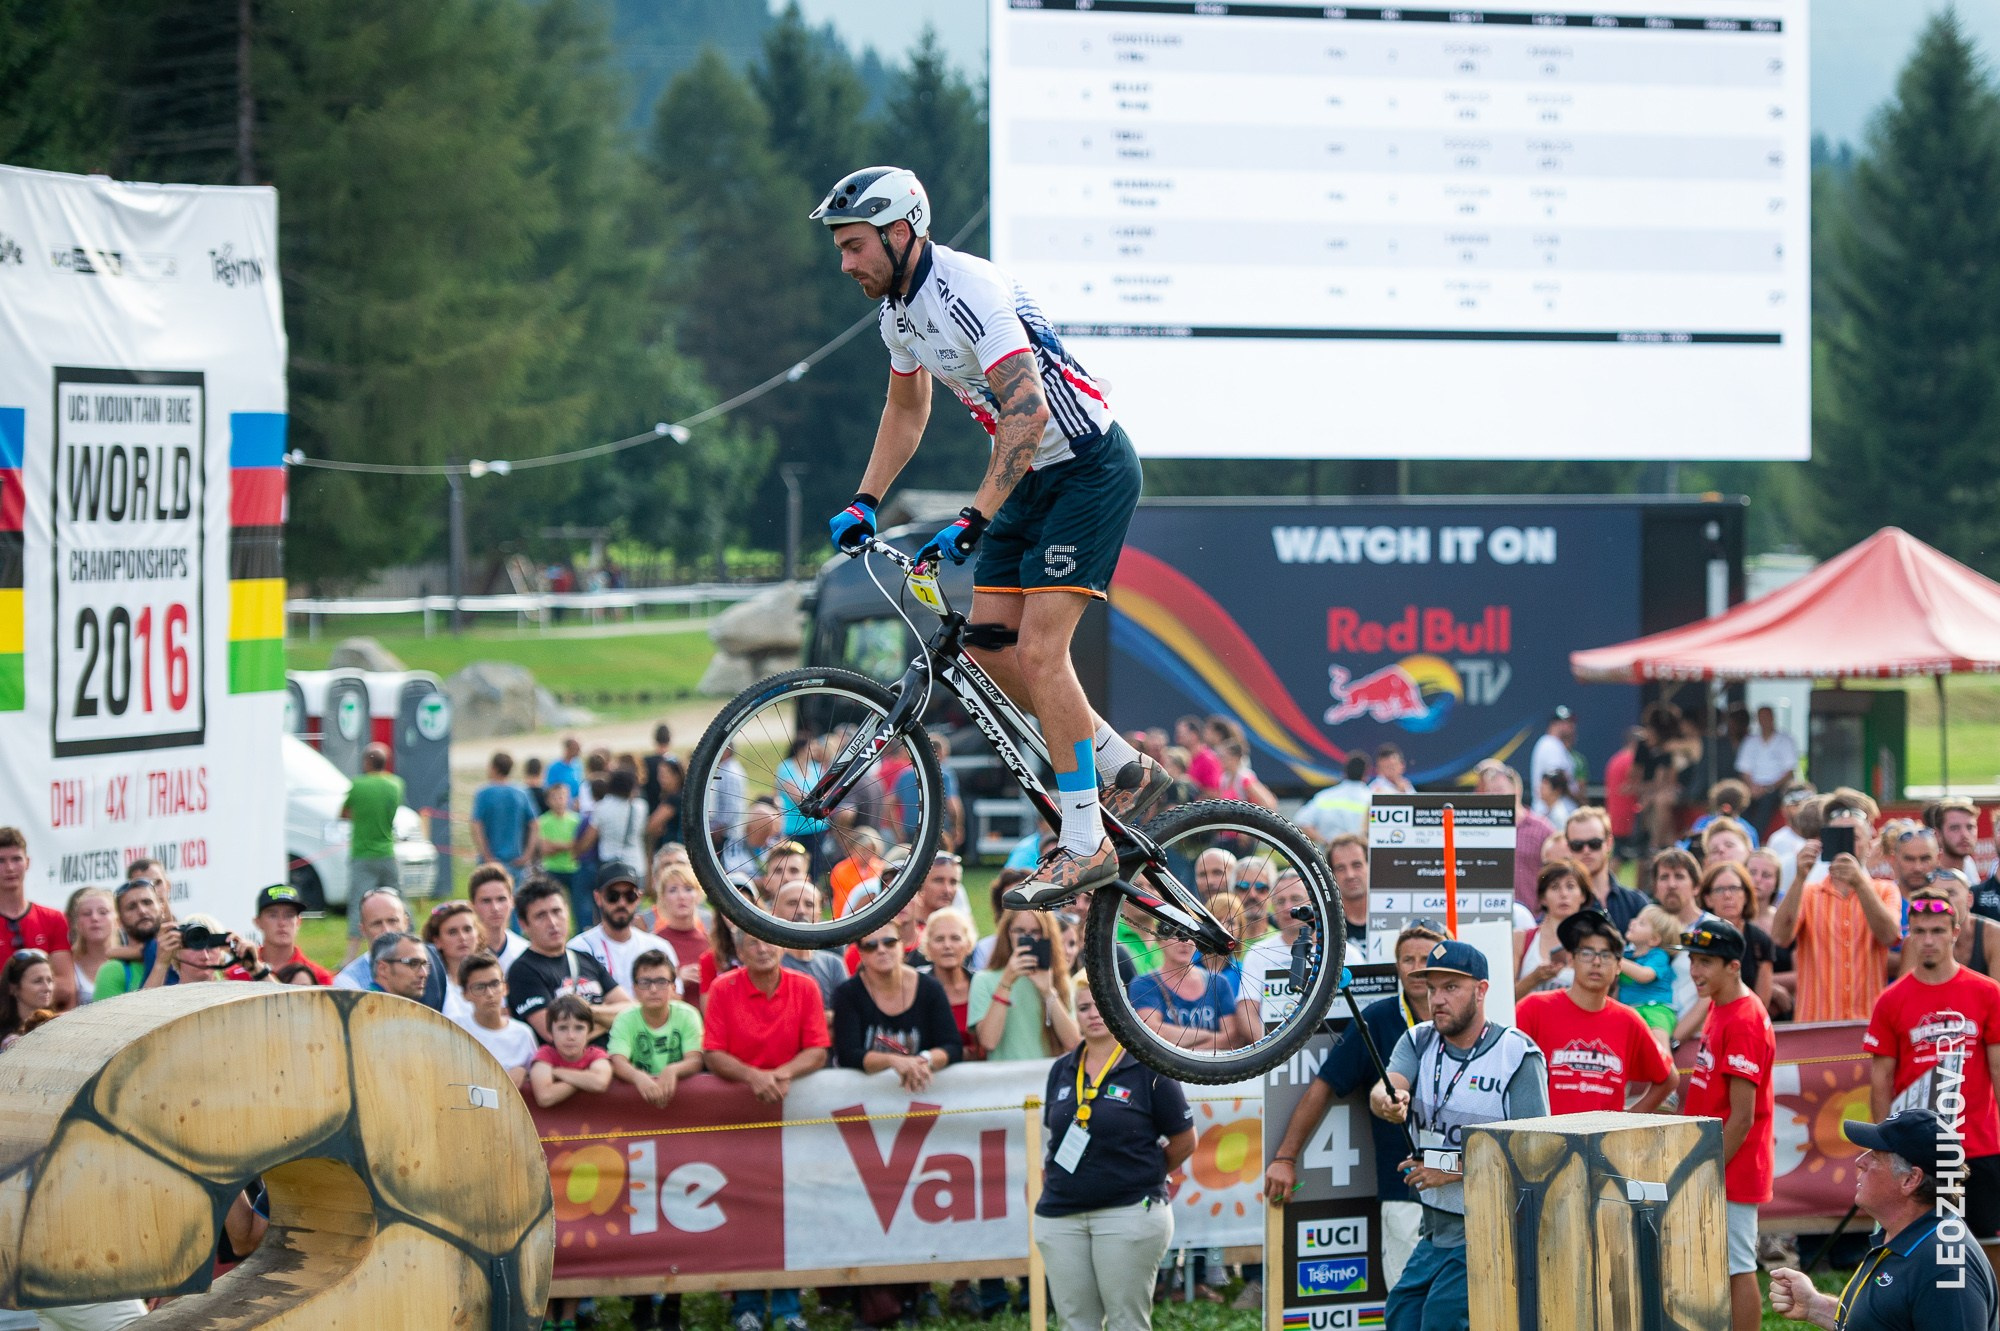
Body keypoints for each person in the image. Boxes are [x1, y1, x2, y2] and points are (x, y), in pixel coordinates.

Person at [815, 164, 1169, 910]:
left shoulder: (965, 289)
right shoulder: (899, 315)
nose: (845, 264)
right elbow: (906, 412)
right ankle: (1123, 769)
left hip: (1086, 467)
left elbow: (1030, 411)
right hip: (1026, 478)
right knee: (987, 647)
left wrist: (973, 516)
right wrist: (866, 498)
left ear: (900, 231)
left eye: (853, 247)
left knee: (1041, 650)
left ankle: (1085, 842)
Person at [1370, 939, 1549, 1331]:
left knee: (1441, 1320)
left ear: (1482, 990)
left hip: (1490, 1228)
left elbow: (1536, 1153)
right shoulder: (1418, 1040)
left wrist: (1450, 1168)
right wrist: (1389, 1099)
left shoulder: (1517, 1055)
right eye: (1432, 988)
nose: (1437, 999)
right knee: (1402, 1315)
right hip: (1435, 1227)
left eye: (1451, 987)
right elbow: (1387, 1086)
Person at [1266, 925, 1443, 1288]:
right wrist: (1285, 1157)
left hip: (1461, 1187)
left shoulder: (1468, 1022)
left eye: (1425, 960)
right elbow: (1323, 1085)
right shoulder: (1378, 1019)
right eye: (1406, 959)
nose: (1414, 968)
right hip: (1404, 1189)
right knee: (1408, 1302)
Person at [1035, 975, 1195, 1331]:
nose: (1094, 1014)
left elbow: (1185, 1140)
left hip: (1129, 1211)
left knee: (1126, 1321)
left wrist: (1146, 1172)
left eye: (1101, 1004)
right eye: (1083, 1007)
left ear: (1120, 1006)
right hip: (1061, 1216)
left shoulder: (1150, 1064)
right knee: (1074, 1323)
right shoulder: (1062, 1069)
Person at [1767, 1108, 1998, 1330]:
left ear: (1910, 1179)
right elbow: (1885, 1321)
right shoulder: (1904, 1236)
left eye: (1876, 1156)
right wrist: (1815, 1307)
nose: (1860, 1161)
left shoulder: (1945, 1270)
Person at [703, 927, 828, 1331]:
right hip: (739, 1119)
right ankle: (748, 1304)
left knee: (793, 1208)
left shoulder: (805, 987)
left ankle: (789, 1307)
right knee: (743, 1210)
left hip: (793, 1117)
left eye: (767, 940)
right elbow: (713, 1053)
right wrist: (753, 1077)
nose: (762, 948)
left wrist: (780, 1074)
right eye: (752, 942)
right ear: (739, 950)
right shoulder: (723, 989)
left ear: (781, 943)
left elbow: (817, 1049)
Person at [1866, 888, 2000, 1266]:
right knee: (1927, 1251)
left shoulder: (1988, 993)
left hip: (1980, 1146)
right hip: (1920, 1152)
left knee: (1989, 1247)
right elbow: (1881, 1084)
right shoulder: (1891, 1000)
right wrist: (1885, 1147)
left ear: (1956, 932)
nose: (1928, 940)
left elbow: (1998, 1070)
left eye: (1938, 931)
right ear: (1909, 933)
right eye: (1920, 931)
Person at [1678, 919, 1775, 1331]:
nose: (1696, 971)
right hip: (1714, 1154)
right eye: (1693, 961)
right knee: (1714, 1261)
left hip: (1731, 1163)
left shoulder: (1745, 1019)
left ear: (1733, 966)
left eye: (1706, 963)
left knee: (1738, 1265)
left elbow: (1742, 1117)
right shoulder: (1720, 1002)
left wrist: (1709, 1169)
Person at [1516, 908, 1675, 1115]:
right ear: (1571, 960)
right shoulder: (1533, 1008)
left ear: (1620, 965)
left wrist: (1630, 1119)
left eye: (1606, 954)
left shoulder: (1628, 1021)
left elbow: (1669, 1078)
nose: (1596, 962)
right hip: (1545, 1141)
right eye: (1587, 953)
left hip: (1603, 1145)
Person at [1772, 803, 1903, 1023]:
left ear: (1869, 846)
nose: (1846, 844)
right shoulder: (1807, 892)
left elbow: (1889, 936)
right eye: (1838, 835)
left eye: (1855, 836)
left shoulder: (1885, 889)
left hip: (1868, 1022)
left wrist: (1860, 883)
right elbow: (1780, 938)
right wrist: (1799, 878)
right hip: (1815, 1024)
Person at [833, 920, 962, 1084]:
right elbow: (848, 1054)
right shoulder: (848, 994)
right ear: (861, 953)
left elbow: (952, 1046)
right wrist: (893, 1061)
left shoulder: (930, 988)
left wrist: (924, 1060)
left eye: (889, 942)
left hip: (921, 1095)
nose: (881, 950)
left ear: (902, 945)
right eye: (871, 946)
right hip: (866, 1096)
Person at [507, 876, 634, 1041]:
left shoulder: (585, 958)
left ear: (567, 911)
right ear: (524, 924)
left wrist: (586, 1010)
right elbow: (554, 1034)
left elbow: (631, 1011)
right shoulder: (523, 971)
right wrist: (610, 1020)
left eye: (556, 911)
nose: (552, 922)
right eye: (541, 916)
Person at [972, 909, 1081, 1061]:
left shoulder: (1059, 979)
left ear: (1047, 935)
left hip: (1047, 1079)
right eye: (1019, 931)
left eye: (1035, 931)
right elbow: (988, 1042)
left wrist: (1048, 992)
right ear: (1007, 933)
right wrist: (1006, 982)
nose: (1027, 937)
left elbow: (1073, 1042)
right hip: (1006, 1081)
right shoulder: (983, 980)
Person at [609, 948, 706, 1105]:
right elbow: (617, 1061)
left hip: (684, 1103)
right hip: (636, 1104)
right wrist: (637, 1076)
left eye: (661, 982)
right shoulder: (624, 1018)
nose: (653, 990)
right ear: (634, 989)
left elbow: (695, 1059)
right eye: (645, 983)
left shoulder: (688, 1014)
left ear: (673, 988)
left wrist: (673, 1070)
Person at [1127, 931, 1245, 1054]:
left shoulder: (1219, 982)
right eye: (1176, 935)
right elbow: (1153, 1032)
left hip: (1213, 1068)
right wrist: (1208, 1036)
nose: (1184, 942)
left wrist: (1186, 1054)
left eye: (1190, 936)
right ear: (1160, 941)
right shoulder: (1144, 984)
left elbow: (1232, 1038)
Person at [332, 888, 447, 1010]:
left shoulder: (434, 963)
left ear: (406, 923)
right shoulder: (348, 982)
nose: (386, 930)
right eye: (377, 923)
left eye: (392, 921)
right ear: (363, 930)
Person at [341, 742, 405, 959]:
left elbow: (344, 813)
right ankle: (410, 943)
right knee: (397, 901)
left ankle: (350, 956)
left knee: (358, 904)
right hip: (387, 851)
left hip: (362, 853)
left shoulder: (358, 785)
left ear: (367, 762)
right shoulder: (395, 784)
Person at [0, 828, 77, 1010]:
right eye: (1, 861)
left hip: (46, 1025)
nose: (10, 868)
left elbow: (66, 987)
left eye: (16, 859)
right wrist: (40, 987)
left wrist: (16, 989)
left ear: (27, 862)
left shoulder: (53, 919)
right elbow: (56, 986)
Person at [570, 862, 674, 994]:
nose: (622, 903)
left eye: (630, 895)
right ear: (598, 897)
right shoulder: (579, 948)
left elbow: (673, 998)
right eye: (613, 896)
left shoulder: (659, 948)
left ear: (638, 898)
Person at [1475, 760, 1553, 912]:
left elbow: (1555, 872)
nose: (1494, 796)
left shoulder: (1541, 828)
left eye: (1499, 790)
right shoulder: (1482, 831)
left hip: (1533, 915)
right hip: (1492, 914)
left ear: (1516, 790)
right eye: (1490, 792)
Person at [453, 950, 537, 1087]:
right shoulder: (455, 1028)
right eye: (479, 987)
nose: (490, 993)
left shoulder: (523, 1033)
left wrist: (525, 1072)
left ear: (505, 988)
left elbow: (537, 1075)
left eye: (495, 984)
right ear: (465, 994)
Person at [1563, 808, 1648, 934]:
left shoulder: (1635, 902)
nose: (1586, 850)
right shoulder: (1562, 903)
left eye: (1594, 843)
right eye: (1577, 845)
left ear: (1609, 843)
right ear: (1569, 848)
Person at [227, 884, 333, 985]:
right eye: (273, 915)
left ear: (299, 922)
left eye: (289, 915)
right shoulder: (235, 974)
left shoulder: (320, 977)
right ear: (257, 922)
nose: (282, 923)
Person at [1516, 860, 1586, 999]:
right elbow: (1504, 1000)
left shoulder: (1594, 942)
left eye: (1570, 886)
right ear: (1543, 898)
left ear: (1583, 895)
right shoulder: (1521, 939)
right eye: (1554, 887)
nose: (1564, 894)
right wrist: (1534, 978)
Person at [91, 879, 169, 999]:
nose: (142, 911)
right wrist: (160, 963)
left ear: (162, 909)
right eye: (131, 907)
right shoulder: (112, 971)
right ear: (119, 922)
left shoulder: (185, 953)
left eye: (147, 902)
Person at [470, 752, 540, 886]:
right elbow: (534, 824)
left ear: (494, 768)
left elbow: (476, 825)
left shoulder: (483, 793)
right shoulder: (521, 793)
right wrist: (527, 854)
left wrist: (486, 855)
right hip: (516, 860)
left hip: (490, 861)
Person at [1620, 906, 1682, 1053]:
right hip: (1631, 1010)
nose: (1632, 922)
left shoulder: (1658, 955)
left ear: (1654, 939)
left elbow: (1644, 975)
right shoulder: (1627, 955)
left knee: (1659, 1048)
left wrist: (1617, 961)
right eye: (1636, 919)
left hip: (1656, 1008)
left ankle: (1666, 1070)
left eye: (1641, 923)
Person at [920, 907, 979, 1057]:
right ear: (927, 946)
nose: (947, 945)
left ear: (968, 944)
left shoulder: (981, 985)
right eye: (939, 939)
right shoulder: (916, 987)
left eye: (955, 938)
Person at [651, 860, 711, 1006]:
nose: (681, 896)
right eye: (673, 890)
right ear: (663, 898)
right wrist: (678, 979)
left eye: (688, 889)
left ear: (698, 895)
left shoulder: (711, 941)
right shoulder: (654, 943)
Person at [1734, 705, 1798, 833]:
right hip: (1753, 787)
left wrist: (1769, 788)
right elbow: (1744, 769)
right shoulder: (1750, 741)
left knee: (1766, 803)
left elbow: (1789, 772)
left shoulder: (1785, 740)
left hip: (1776, 787)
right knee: (1742, 802)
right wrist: (1752, 787)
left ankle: (1755, 835)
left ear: (1773, 718)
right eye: (1761, 717)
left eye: (1766, 717)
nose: (1764, 721)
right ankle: (1742, 832)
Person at [423, 900, 483, 1022]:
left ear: (478, 935)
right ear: (437, 941)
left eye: (467, 929)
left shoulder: (494, 975)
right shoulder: (431, 984)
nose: (462, 938)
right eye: (452, 932)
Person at [1295, 754, 1373, 845]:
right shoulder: (1372, 799)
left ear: (1345, 773)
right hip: (1360, 854)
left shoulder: (1325, 797)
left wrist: (1325, 842)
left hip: (1331, 854)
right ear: (1366, 774)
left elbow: (1302, 821)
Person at [467, 864, 531, 971]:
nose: (495, 908)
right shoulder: (463, 952)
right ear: (473, 906)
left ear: (512, 902)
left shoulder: (525, 952)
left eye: (501, 899)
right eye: (486, 901)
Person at [63, 887, 118, 1005]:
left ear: (117, 920)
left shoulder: (130, 960)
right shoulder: (66, 964)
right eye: (87, 914)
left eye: (103, 912)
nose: (95, 918)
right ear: (77, 923)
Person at [534, 780, 582, 909]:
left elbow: (579, 846)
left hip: (573, 868)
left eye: (562, 796)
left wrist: (556, 845)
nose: (559, 800)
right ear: (548, 800)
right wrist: (568, 845)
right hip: (552, 868)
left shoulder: (577, 820)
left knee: (578, 906)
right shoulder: (543, 821)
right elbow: (545, 849)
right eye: (554, 797)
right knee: (553, 904)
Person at [642, 722, 686, 853]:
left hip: (671, 847)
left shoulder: (675, 799)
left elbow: (651, 825)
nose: (660, 779)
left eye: (664, 776)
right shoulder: (674, 760)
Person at [1328, 832, 1371, 963]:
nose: (1350, 875)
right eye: (1341, 868)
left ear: (1370, 866)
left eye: (1357, 865)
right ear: (1331, 873)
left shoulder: (1391, 918)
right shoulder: (1326, 926)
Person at [0, 950, 56, 1048]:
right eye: (37, 981)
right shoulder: (4, 1036)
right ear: (13, 988)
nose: (47, 988)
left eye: (49, 980)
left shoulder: (60, 1025)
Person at [369, 931, 436, 1005]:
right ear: (383, 969)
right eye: (413, 963)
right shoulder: (364, 1010)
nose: (424, 974)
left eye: (425, 964)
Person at [1529, 705, 1578, 802]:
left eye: (1571, 722)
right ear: (1554, 724)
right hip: (1551, 811)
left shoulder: (1557, 745)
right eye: (1566, 722)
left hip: (1556, 809)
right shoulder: (1550, 744)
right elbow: (1556, 780)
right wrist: (1578, 799)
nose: (1571, 726)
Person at [546, 736, 584, 803]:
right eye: (576, 748)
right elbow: (550, 789)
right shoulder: (554, 767)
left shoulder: (578, 764)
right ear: (568, 749)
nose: (579, 751)